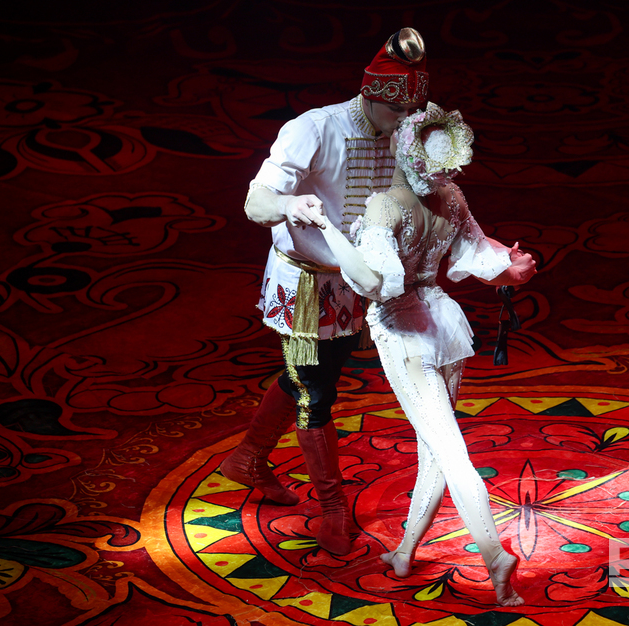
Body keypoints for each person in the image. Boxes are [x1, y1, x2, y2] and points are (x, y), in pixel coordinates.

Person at [312, 102, 535, 606]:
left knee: (449, 452)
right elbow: (482, 258)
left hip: (406, 333)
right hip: (445, 324)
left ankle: (495, 556)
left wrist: (326, 228)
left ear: (400, 149)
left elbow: (377, 284)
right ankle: (406, 551)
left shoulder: (384, 206)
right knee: (433, 448)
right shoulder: (452, 197)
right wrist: (515, 266)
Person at [220, 28, 429, 556]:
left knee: (316, 376)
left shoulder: (402, 131)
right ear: (371, 96)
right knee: (316, 393)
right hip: (306, 283)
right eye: (396, 113)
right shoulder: (313, 129)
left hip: (356, 280)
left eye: (412, 114)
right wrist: (288, 205)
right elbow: (255, 201)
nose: (404, 125)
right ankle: (332, 507)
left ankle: (247, 458)